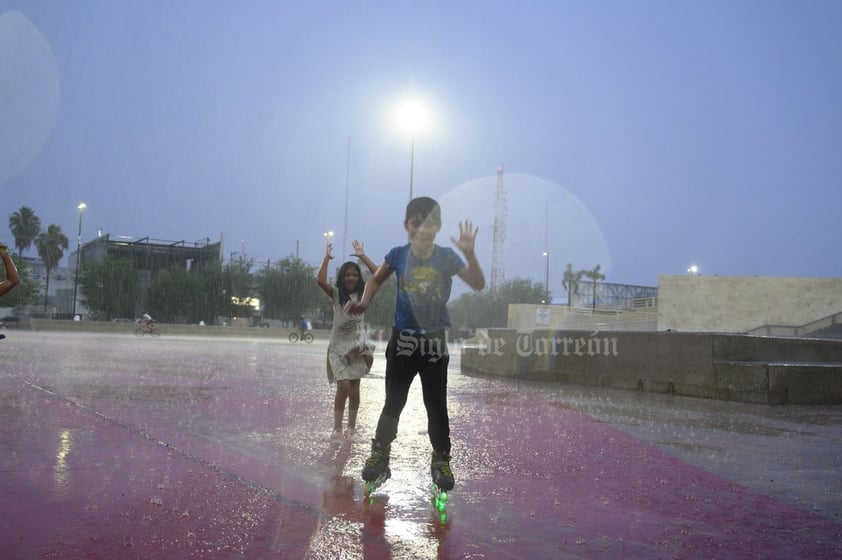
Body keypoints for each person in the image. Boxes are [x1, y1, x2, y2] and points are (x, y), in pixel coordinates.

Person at [345, 196, 485, 492]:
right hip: (403, 341)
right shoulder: (398, 254)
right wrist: (364, 303)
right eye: (417, 222)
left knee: (435, 405)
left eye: (430, 222)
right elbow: (375, 280)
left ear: (438, 226)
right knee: (393, 402)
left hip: (434, 342)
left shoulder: (447, 257)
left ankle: (441, 459)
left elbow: (478, 283)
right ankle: (380, 454)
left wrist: (470, 254)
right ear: (407, 225)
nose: (423, 228)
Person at [317, 240, 378, 441]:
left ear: (359, 278)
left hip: (356, 348)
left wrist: (362, 256)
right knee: (342, 385)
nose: (351, 277)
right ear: (342, 279)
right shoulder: (336, 294)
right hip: (337, 348)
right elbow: (320, 281)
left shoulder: (363, 294)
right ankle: (336, 429)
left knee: (355, 389)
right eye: (347, 275)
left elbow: (378, 274)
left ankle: (351, 429)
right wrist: (326, 258)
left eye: (354, 274)